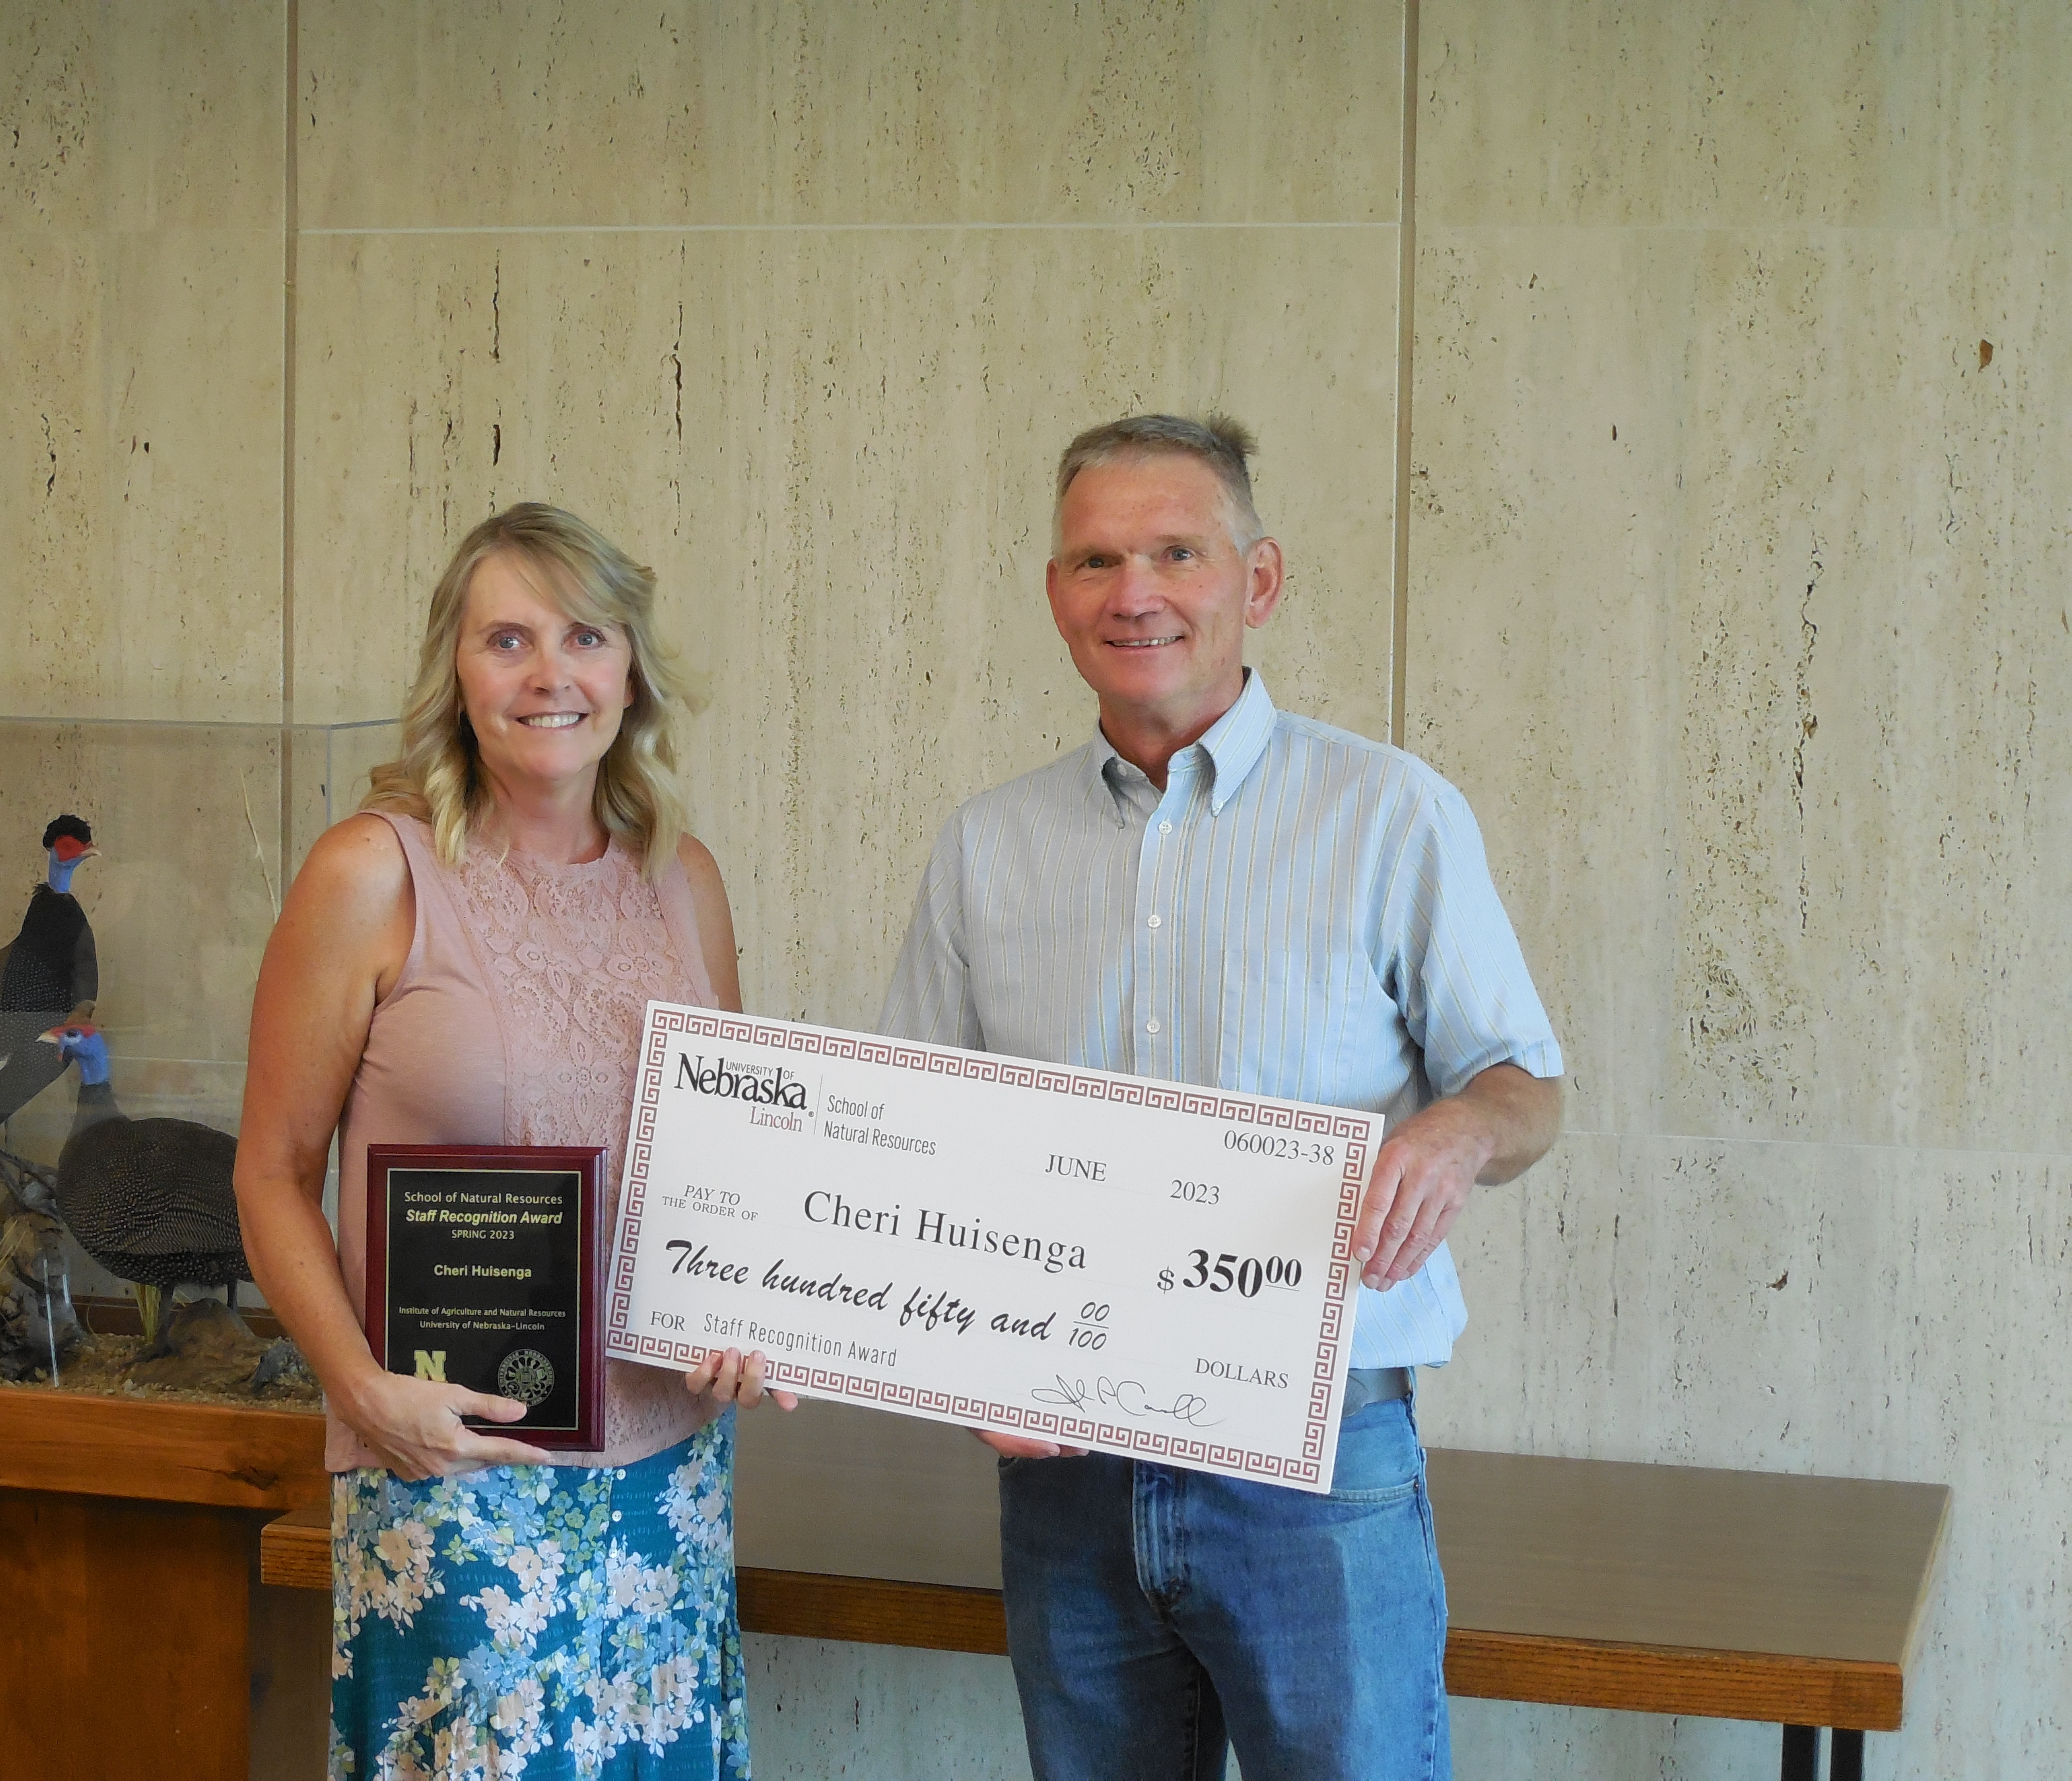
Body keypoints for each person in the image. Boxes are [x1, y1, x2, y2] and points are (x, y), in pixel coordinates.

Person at [880, 415, 1564, 1780]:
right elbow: (909, 1137)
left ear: (1257, 582)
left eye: (1175, 552)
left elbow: (1527, 1088)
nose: (1133, 592)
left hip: (1312, 1462)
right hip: (1061, 1468)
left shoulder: (1391, 815)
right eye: (1094, 560)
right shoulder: (987, 847)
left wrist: (1458, 1124)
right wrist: (942, 1350)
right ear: (1056, 593)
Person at [236, 502, 792, 1781]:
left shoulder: (682, 877)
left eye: (585, 636)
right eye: (508, 639)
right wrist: (364, 1394)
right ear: (456, 673)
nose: (552, 675)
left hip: (671, 1477)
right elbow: (267, 1173)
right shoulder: (371, 875)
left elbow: (734, 1182)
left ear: (631, 668)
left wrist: (754, 1318)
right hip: (453, 1475)